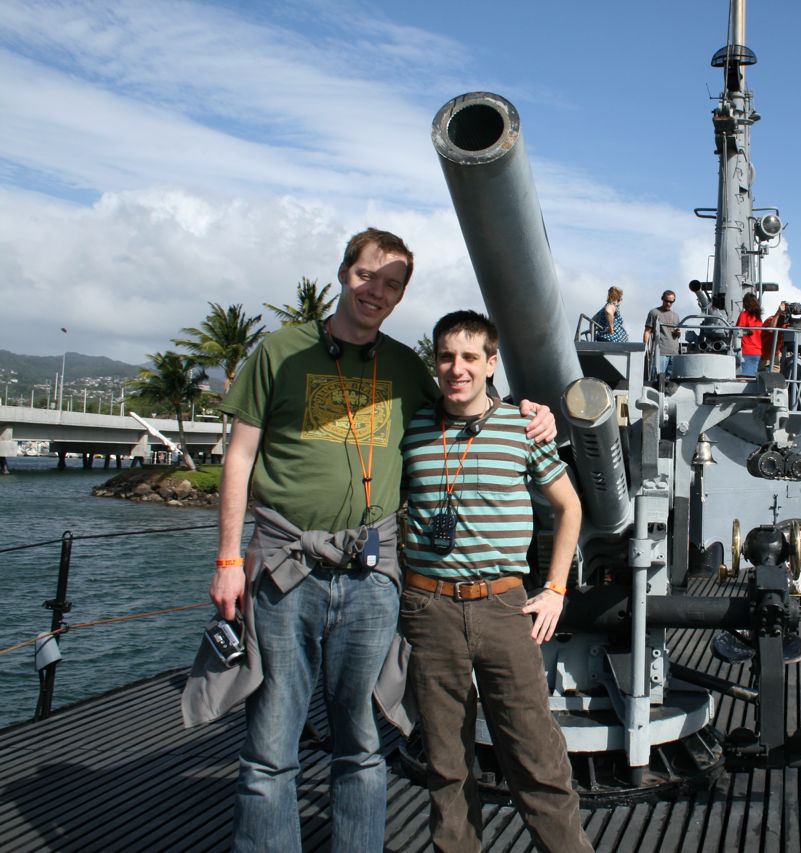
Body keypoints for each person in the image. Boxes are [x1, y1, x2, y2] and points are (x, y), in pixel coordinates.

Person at [187, 229, 556, 852]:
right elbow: (239, 457)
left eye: (391, 284)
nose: (375, 291)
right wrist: (227, 559)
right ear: (342, 274)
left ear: (400, 295)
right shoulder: (279, 352)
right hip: (283, 567)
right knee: (271, 745)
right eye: (366, 276)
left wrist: (531, 412)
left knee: (361, 744)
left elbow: (466, 401)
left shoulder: (408, 367)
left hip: (369, 575)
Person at [400, 310, 592, 853]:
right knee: (446, 762)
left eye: (468, 358)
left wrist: (554, 589)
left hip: (504, 607)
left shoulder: (523, 426)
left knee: (536, 756)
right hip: (428, 606)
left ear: (490, 364)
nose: (456, 368)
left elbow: (569, 507)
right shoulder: (413, 427)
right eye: (445, 357)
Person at [643, 289, 681, 376]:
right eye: (666, 301)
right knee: (657, 380)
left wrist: (678, 333)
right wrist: (645, 348)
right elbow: (647, 331)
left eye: (671, 302)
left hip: (674, 354)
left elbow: (678, 335)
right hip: (660, 353)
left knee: (672, 382)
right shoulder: (654, 313)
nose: (668, 303)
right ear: (662, 299)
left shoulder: (676, 316)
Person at [735, 293, 765, 377]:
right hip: (757, 352)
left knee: (745, 380)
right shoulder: (758, 318)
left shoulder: (744, 315)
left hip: (747, 351)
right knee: (751, 378)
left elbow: (737, 332)